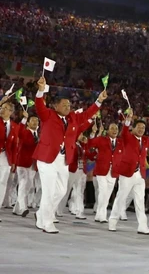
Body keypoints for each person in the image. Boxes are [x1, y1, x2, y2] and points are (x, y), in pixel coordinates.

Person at [33, 76, 106, 234]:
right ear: (55, 106)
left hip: (63, 160)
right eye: (64, 105)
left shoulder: (73, 118)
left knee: (61, 191)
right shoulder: (48, 115)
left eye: (69, 105)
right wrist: (41, 91)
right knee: (49, 191)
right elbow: (39, 105)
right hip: (47, 158)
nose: (68, 107)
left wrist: (99, 101)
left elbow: (87, 114)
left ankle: (41, 213)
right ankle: (47, 221)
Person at [108, 114, 149, 234]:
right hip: (127, 174)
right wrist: (127, 121)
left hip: (140, 175)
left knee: (140, 200)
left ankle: (142, 226)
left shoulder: (145, 140)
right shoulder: (128, 137)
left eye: (143, 128)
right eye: (139, 127)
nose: (141, 129)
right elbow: (124, 133)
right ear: (134, 128)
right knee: (121, 197)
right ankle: (113, 221)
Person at [86, 121, 124, 223]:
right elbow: (90, 143)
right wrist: (93, 133)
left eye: (116, 128)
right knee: (103, 192)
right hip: (101, 170)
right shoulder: (101, 140)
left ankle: (98, 214)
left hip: (113, 172)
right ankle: (102, 215)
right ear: (107, 131)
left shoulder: (120, 142)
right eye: (112, 128)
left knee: (107, 194)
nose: (114, 130)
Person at [12, 114, 39, 218]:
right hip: (23, 163)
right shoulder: (25, 132)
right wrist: (23, 118)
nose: (35, 122)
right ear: (28, 123)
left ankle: (17, 208)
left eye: (37, 120)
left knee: (28, 186)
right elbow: (19, 131)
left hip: (33, 164)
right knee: (23, 184)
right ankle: (23, 207)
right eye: (33, 120)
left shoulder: (38, 134)